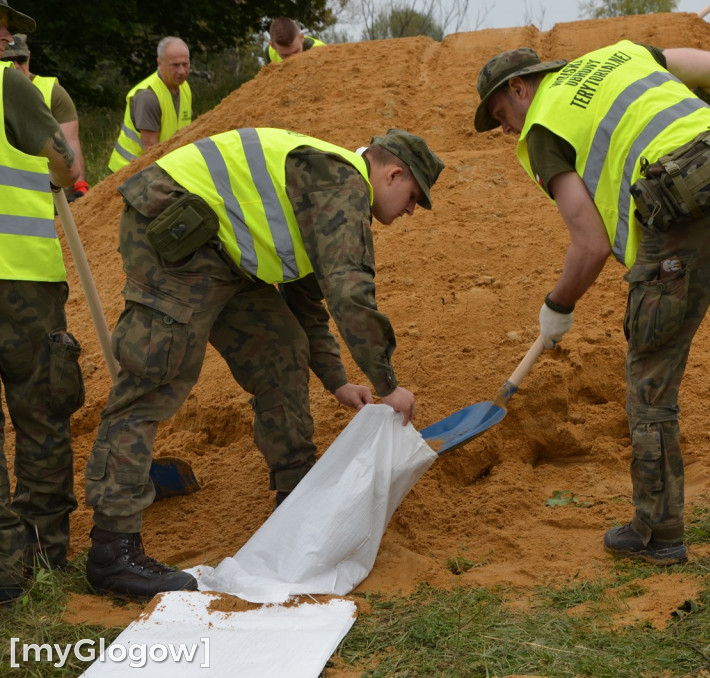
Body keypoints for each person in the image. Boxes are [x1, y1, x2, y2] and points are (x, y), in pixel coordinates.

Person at [473, 42, 710, 566]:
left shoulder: (543, 128)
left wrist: (557, 305)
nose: (506, 131)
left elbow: (587, 242)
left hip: (678, 212)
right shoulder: (623, 54)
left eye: (501, 115)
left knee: (651, 379)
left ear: (521, 88)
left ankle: (658, 533)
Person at [84, 126, 444, 598]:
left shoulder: (323, 187)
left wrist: (337, 381)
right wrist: (387, 383)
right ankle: (113, 550)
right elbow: (349, 293)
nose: (411, 210)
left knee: (280, 349)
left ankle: (296, 499)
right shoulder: (342, 186)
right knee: (154, 379)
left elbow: (308, 303)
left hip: (221, 251)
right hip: (177, 226)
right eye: (413, 196)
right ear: (394, 173)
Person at [0, 0, 85, 606]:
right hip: (19, 281)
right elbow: (65, 166)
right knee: (41, 413)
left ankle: (3, 573)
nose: (8, 40)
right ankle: (40, 555)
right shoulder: (11, 84)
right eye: (2, 29)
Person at [2, 33, 89, 200]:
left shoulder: (53, 93)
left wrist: (80, 185)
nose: (16, 65)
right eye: (8, 60)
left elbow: (70, 142)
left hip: (56, 191)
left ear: (29, 57)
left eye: (21, 59)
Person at [107, 36, 192, 172]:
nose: (182, 71)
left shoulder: (184, 87)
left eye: (185, 64)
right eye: (175, 65)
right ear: (160, 63)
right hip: (129, 172)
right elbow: (151, 151)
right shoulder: (148, 97)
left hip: (166, 165)